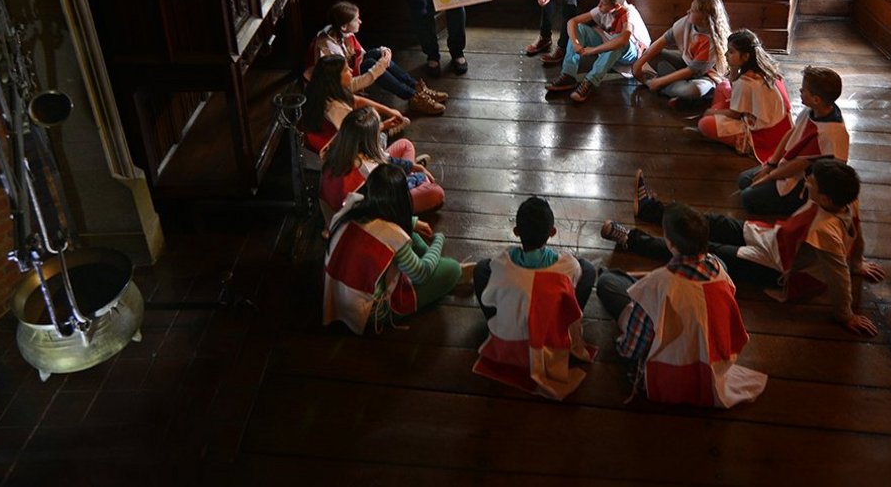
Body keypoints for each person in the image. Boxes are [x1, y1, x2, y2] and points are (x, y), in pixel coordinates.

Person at [605, 158, 886, 337]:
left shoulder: (825, 229)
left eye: (810, 182)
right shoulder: (845, 199)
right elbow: (858, 234)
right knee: (712, 222)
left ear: (823, 196)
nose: (806, 181)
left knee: (696, 251)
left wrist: (845, 314)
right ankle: (651, 209)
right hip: (771, 238)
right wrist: (859, 262)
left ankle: (631, 238)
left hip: (772, 264)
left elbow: (837, 272)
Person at [593, 202, 765, 407]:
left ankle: (610, 274)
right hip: (714, 363)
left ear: (670, 244)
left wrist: (620, 345)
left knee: (608, 282)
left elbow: (633, 347)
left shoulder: (658, 284)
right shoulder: (720, 270)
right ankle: (620, 272)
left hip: (670, 372)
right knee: (634, 283)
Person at [470, 196, 597, 399]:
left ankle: (505, 320)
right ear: (552, 232)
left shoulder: (502, 261)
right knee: (588, 270)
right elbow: (581, 274)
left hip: (509, 342)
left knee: (481, 269)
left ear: (516, 232)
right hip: (548, 340)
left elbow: (488, 294)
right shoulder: (568, 265)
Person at [323, 164, 467, 335]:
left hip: (338, 302)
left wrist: (413, 223)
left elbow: (381, 221)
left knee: (410, 236)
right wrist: (438, 240)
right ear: (403, 200)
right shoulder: (392, 234)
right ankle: (443, 266)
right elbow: (422, 273)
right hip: (371, 312)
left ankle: (428, 257)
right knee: (452, 268)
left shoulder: (350, 207)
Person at [737, 66, 849, 218]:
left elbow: (798, 166)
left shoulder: (829, 132)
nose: (800, 91)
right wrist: (771, 164)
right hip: (791, 169)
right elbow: (792, 132)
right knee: (745, 179)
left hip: (806, 185)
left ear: (816, 99)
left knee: (747, 198)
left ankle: (797, 206)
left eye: (804, 90)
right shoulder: (815, 110)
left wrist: (770, 176)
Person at [307, 0, 445, 115]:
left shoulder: (339, 32)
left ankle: (416, 88)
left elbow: (361, 54)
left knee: (376, 55)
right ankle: (413, 97)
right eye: (356, 19)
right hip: (335, 90)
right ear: (344, 26)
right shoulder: (328, 50)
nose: (360, 21)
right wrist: (380, 66)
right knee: (370, 64)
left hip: (346, 74)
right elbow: (346, 85)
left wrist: (382, 52)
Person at [318, 106, 443, 215]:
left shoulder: (337, 150)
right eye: (379, 128)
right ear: (371, 140)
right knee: (436, 192)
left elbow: (384, 159)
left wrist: (413, 167)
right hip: (379, 205)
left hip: (368, 192)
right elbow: (393, 190)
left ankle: (411, 173)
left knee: (405, 145)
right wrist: (419, 177)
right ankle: (416, 180)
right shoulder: (368, 170)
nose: (381, 130)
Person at [545, 0, 650, 104]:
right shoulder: (603, 8)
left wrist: (593, 50)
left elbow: (623, 40)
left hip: (631, 53)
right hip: (609, 43)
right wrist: (576, 44)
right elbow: (572, 22)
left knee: (618, 41)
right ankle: (568, 75)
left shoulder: (629, 14)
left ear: (616, 6)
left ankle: (590, 81)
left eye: (603, 3)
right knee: (580, 29)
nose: (599, 5)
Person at [695, 30, 791, 161]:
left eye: (731, 52)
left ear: (745, 57)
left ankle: (726, 132)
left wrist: (710, 112)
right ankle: (718, 121)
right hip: (780, 126)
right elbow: (736, 90)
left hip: (763, 134)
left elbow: (735, 113)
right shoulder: (765, 69)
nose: (726, 54)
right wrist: (733, 70)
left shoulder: (746, 82)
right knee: (723, 86)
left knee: (704, 124)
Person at [634, 0, 732, 113]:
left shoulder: (711, 41)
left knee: (694, 90)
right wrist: (638, 64)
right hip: (685, 63)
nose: (688, 12)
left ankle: (665, 87)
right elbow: (661, 42)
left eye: (693, 10)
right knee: (654, 54)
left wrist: (658, 82)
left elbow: (691, 71)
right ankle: (675, 90)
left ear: (704, 17)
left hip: (704, 76)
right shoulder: (687, 22)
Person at [301, 55, 411, 155]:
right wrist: (383, 125)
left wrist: (389, 111)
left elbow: (357, 100)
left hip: (341, 136)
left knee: (372, 114)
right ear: (335, 78)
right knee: (387, 139)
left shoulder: (326, 90)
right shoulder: (335, 108)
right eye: (346, 70)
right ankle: (385, 139)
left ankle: (384, 134)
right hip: (341, 150)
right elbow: (355, 135)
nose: (351, 70)